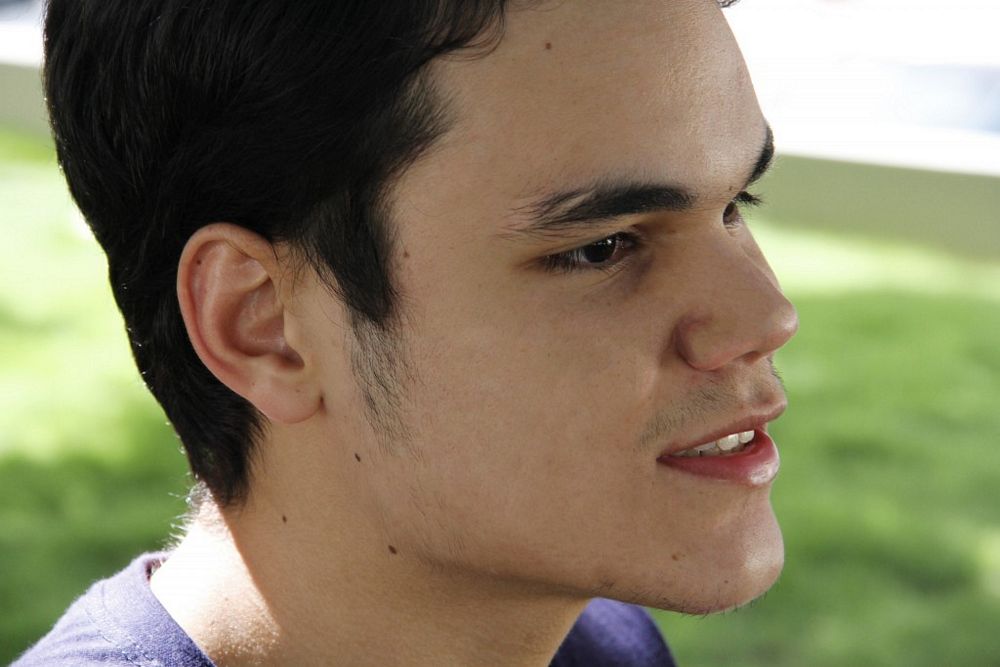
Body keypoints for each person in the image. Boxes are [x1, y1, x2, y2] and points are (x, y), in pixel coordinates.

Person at [17, 0, 798, 664]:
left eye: (735, 204)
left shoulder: (604, 645)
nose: (768, 316)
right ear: (263, 328)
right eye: (601, 247)